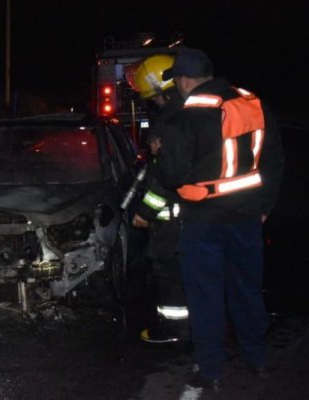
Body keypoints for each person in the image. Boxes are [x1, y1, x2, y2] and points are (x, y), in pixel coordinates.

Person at [155, 48, 285, 393]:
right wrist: (263, 208)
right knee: (246, 289)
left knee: (205, 296)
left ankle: (211, 369)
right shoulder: (253, 103)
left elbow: (172, 174)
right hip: (246, 218)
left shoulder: (187, 117)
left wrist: (160, 154)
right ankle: (257, 360)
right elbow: (274, 161)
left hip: (203, 223)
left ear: (184, 81)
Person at [128, 54, 189, 344]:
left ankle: (175, 330)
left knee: (169, 273)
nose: (151, 103)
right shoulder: (192, 113)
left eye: (152, 98)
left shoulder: (170, 122)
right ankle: (197, 328)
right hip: (194, 215)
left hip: (171, 219)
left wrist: (145, 212)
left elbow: (164, 177)